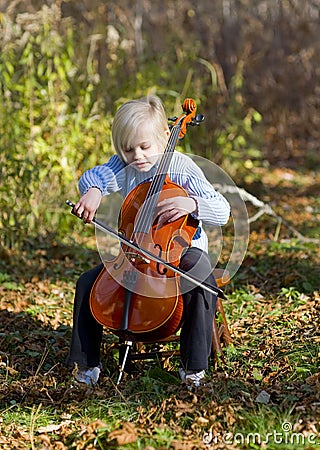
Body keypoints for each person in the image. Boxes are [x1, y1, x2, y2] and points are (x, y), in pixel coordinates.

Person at [66, 94, 230, 387]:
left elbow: (223, 210)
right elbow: (96, 175)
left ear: (165, 137)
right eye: (129, 150)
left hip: (180, 253)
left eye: (145, 147)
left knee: (201, 278)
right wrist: (92, 190)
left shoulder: (182, 168)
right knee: (87, 283)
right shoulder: (125, 165)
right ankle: (86, 365)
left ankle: (193, 368)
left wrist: (191, 204)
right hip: (134, 254)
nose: (138, 156)